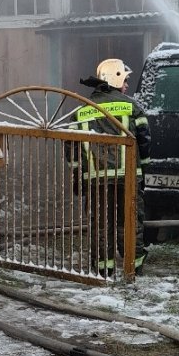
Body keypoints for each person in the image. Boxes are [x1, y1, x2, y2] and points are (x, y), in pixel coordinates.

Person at [72, 57, 151, 275]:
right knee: (130, 220)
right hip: (128, 178)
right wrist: (143, 172)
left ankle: (103, 269)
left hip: (96, 180)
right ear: (115, 79)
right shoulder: (133, 107)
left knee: (100, 224)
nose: (126, 85)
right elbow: (144, 144)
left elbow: (72, 148)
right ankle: (132, 266)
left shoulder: (81, 111)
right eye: (124, 80)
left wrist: (78, 175)